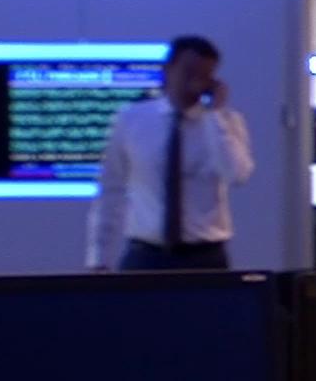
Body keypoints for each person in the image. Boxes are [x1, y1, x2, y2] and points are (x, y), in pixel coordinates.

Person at [87, 35, 254, 271]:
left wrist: (215, 116)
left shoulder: (226, 123)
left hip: (206, 255)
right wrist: (99, 258)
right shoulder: (132, 120)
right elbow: (111, 189)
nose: (194, 83)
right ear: (168, 70)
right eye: (188, 72)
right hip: (146, 253)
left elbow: (236, 175)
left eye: (204, 76)